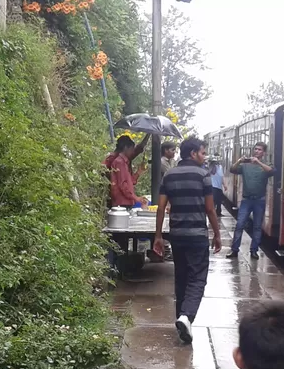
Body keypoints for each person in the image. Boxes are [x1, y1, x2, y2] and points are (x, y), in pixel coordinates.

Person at [153, 137, 221, 344]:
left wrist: (157, 236)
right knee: (198, 278)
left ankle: (181, 322)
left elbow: (161, 207)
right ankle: (186, 316)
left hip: (177, 235)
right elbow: (210, 209)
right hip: (197, 235)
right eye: (202, 153)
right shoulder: (203, 175)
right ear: (193, 154)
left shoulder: (170, 175)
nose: (205, 156)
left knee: (181, 277)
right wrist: (216, 234)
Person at [226, 142, 274, 260]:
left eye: (259, 150)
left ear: (264, 153)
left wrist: (258, 163)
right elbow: (232, 169)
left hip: (260, 200)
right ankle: (234, 250)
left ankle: (254, 251)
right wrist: (239, 161)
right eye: (255, 149)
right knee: (240, 224)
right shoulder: (245, 166)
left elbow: (272, 171)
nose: (256, 151)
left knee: (257, 226)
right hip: (246, 200)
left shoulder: (265, 165)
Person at [109, 135, 149, 208]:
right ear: (125, 148)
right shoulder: (119, 162)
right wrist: (136, 198)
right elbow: (123, 185)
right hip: (122, 202)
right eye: (131, 149)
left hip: (127, 201)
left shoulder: (125, 162)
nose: (132, 152)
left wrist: (138, 172)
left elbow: (130, 181)